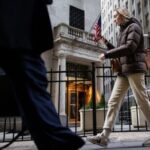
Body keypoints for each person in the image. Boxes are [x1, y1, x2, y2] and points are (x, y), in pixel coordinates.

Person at [0, 0, 85, 149]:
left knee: (32, 77)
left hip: (22, 30)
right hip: (17, 28)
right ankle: (58, 139)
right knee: (31, 76)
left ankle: (58, 139)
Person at [87, 7, 150, 147]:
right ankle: (103, 137)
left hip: (134, 68)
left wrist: (107, 55)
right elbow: (120, 50)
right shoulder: (123, 30)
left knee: (142, 101)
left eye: (115, 17)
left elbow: (129, 48)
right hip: (124, 71)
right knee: (113, 101)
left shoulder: (134, 27)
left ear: (123, 16)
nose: (114, 20)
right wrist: (105, 41)